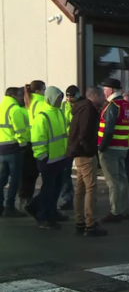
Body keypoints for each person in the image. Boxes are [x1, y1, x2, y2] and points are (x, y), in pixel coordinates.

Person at [27, 86, 69, 229]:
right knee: (48, 190)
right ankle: (43, 217)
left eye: (61, 98)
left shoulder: (59, 112)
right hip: (48, 160)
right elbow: (38, 140)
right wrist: (42, 157)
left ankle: (49, 212)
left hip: (59, 158)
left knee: (55, 188)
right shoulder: (42, 116)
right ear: (50, 98)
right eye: (58, 98)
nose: (60, 101)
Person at [68, 86, 107, 237]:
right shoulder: (88, 110)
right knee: (90, 188)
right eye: (102, 95)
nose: (104, 98)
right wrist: (90, 150)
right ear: (95, 95)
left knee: (81, 187)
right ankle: (90, 224)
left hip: (78, 153)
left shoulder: (81, 108)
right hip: (85, 154)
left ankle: (80, 222)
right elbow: (84, 133)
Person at [98, 78, 129, 223]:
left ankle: (115, 211)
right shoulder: (126, 105)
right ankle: (125, 210)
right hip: (122, 146)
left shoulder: (113, 106)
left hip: (110, 148)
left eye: (105, 89)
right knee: (122, 179)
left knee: (113, 182)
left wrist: (102, 147)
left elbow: (109, 130)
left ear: (111, 90)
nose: (104, 92)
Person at [0, 87, 29, 217]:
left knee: (1, 178)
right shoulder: (15, 109)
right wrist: (23, 146)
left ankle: (1, 205)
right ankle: (9, 207)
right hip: (13, 148)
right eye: (19, 95)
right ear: (12, 95)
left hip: (1, 149)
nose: (21, 97)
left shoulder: (1, 107)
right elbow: (20, 131)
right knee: (15, 179)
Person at [18, 80, 45, 211]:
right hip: (32, 142)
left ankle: (25, 199)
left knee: (27, 174)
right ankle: (27, 200)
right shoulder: (39, 103)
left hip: (27, 143)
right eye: (44, 90)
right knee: (31, 173)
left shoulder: (27, 105)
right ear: (38, 91)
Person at [58, 85, 81, 211]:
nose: (69, 99)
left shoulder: (82, 106)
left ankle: (86, 198)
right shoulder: (62, 106)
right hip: (66, 144)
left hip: (77, 143)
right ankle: (67, 199)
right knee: (65, 172)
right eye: (67, 96)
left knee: (83, 173)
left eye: (72, 96)